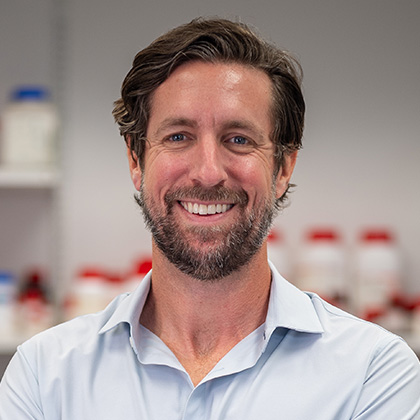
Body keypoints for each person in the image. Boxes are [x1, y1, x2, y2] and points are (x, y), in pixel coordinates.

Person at [1, 17, 419, 420]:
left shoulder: (372, 374)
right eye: (178, 137)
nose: (207, 172)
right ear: (135, 159)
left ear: (283, 167)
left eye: (238, 140)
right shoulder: (45, 376)